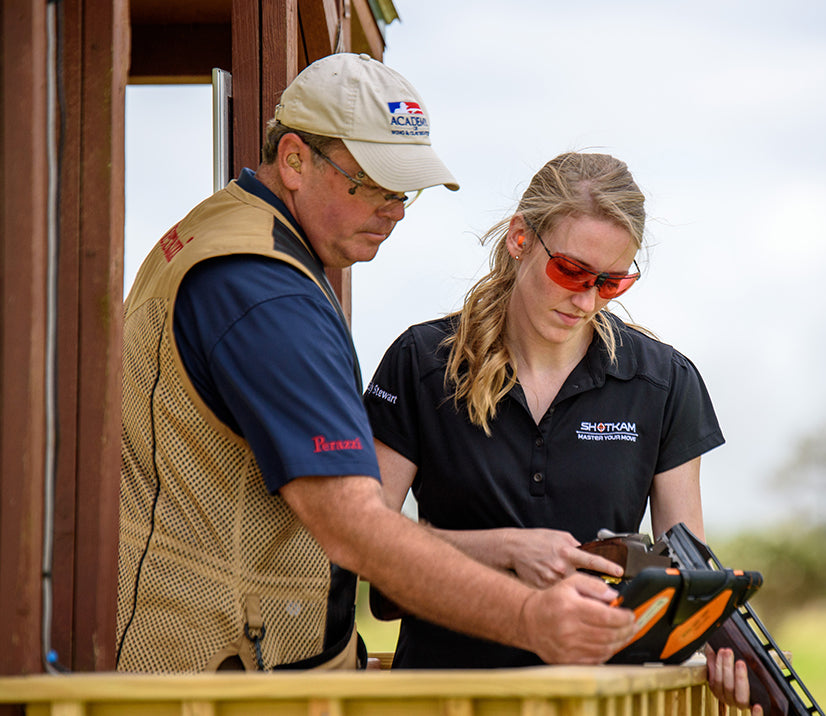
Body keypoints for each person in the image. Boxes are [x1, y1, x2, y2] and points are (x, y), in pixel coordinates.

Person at [116, 53, 637, 673]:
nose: (395, 208)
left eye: (406, 190)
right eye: (375, 184)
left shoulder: (224, 235)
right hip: (214, 670)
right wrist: (529, 619)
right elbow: (352, 525)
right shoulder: (267, 292)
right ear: (294, 160)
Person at [364, 151, 760, 713]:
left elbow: (685, 571)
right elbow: (366, 545)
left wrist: (718, 654)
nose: (586, 300)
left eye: (610, 282)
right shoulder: (422, 363)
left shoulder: (665, 382)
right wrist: (502, 550)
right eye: (571, 272)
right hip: (447, 699)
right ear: (520, 238)